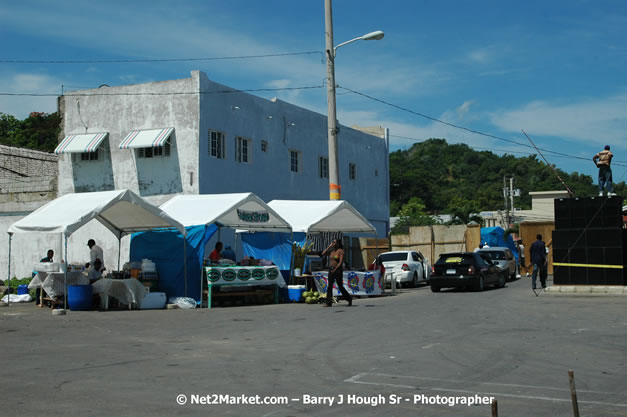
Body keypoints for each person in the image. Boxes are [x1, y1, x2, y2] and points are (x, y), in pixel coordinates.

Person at [321, 238, 352, 307]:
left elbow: (340, 262)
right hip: (331, 269)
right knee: (330, 286)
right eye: (333, 242)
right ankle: (328, 302)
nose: (333, 243)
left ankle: (349, 299)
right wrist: (329, 247)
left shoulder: (340, 251)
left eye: (334, 242)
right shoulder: (331, 251)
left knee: (340, 286)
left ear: (338, 244)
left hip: (338, 270)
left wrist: (335, 269)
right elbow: (323, 253)